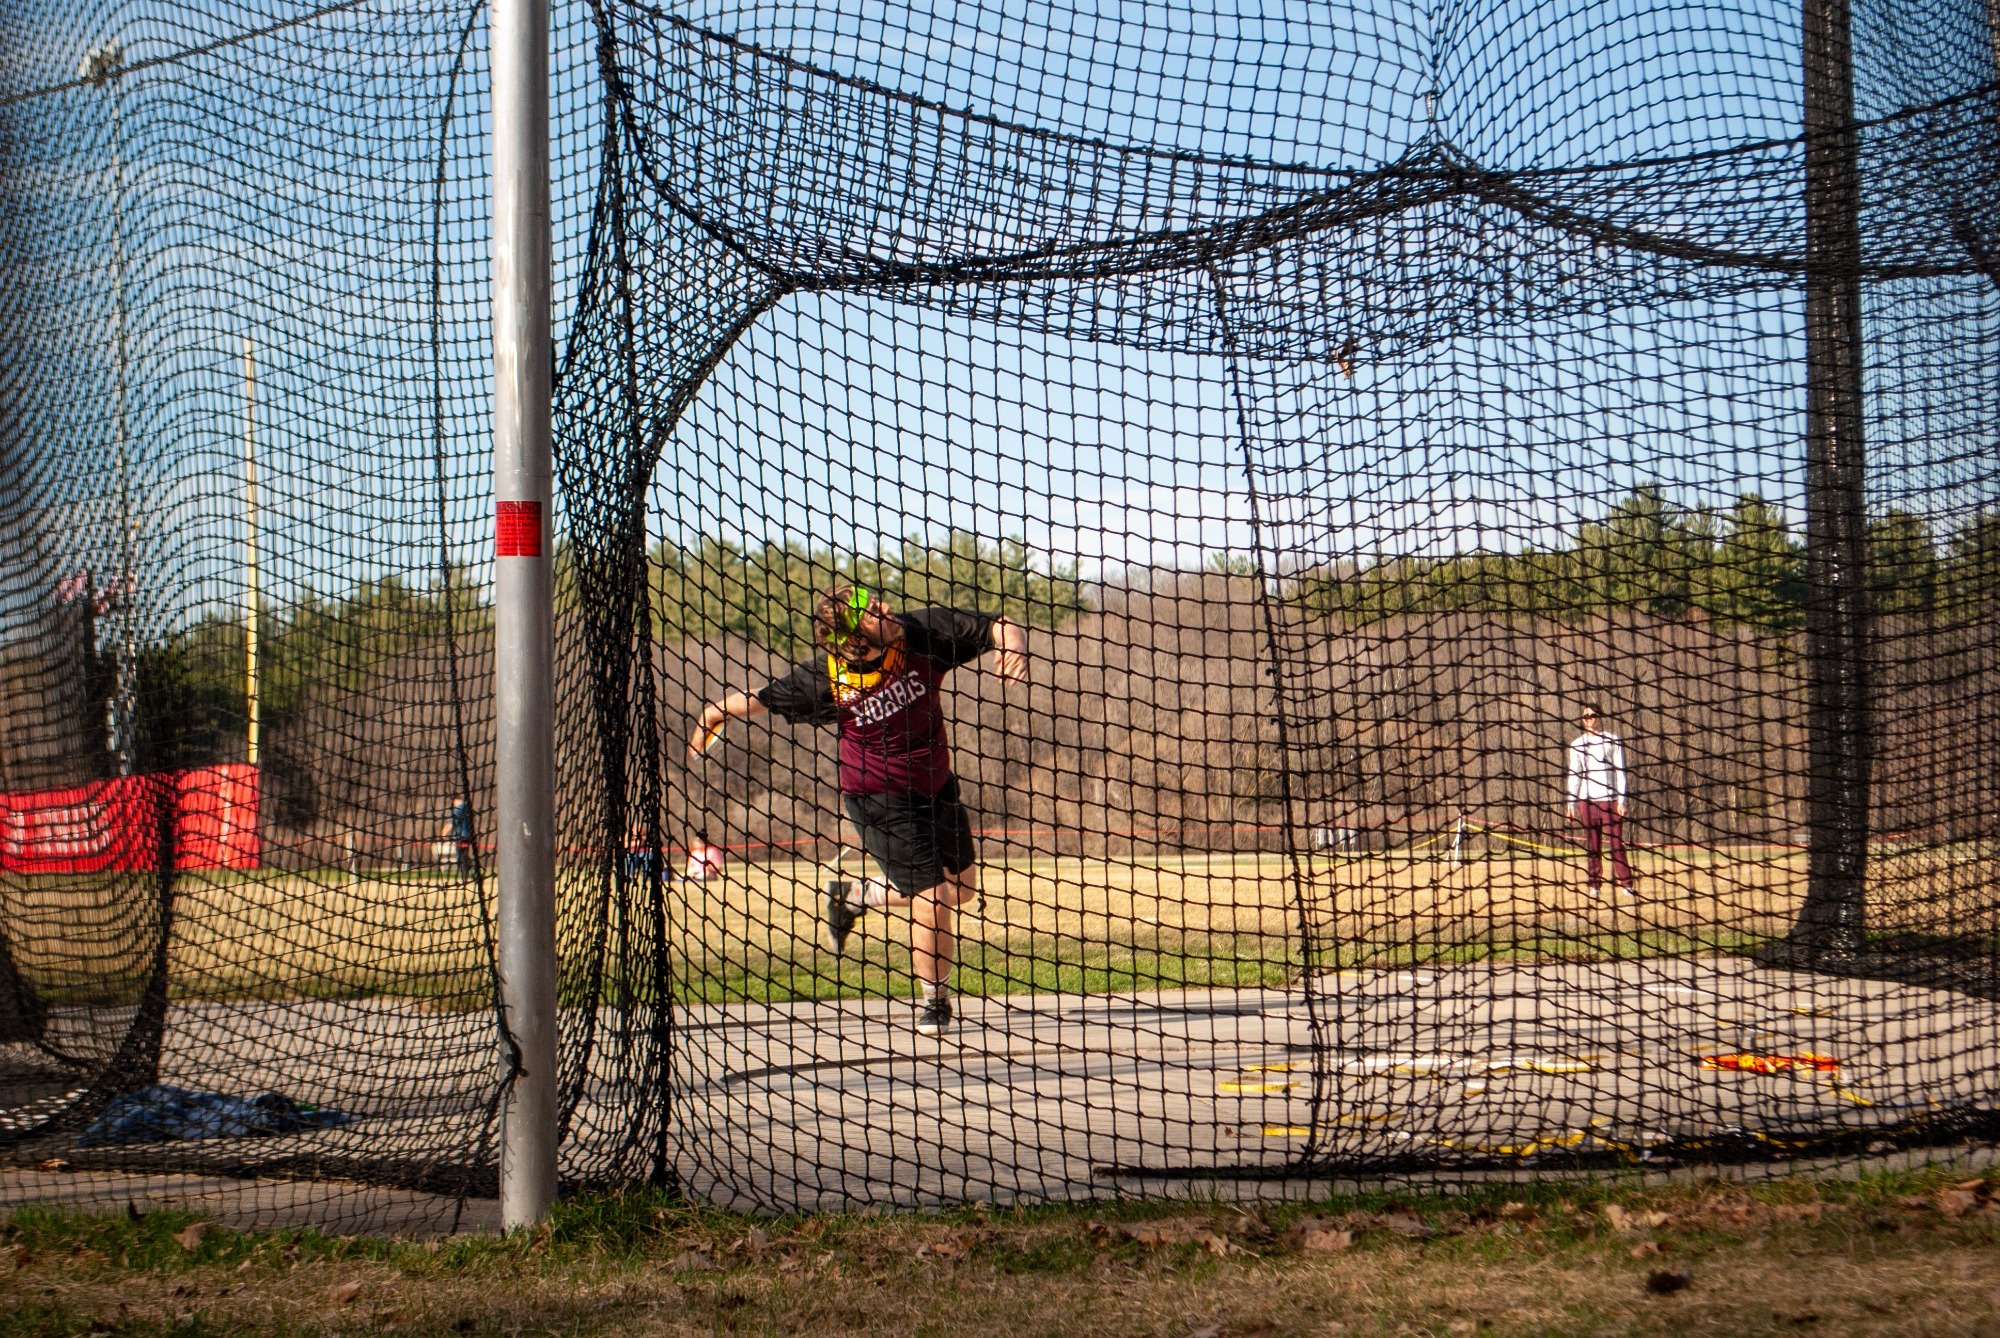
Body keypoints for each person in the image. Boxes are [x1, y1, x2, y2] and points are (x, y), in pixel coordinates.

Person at [688, 584, 1028, 1036]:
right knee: (931, 897)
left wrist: (1013, 648)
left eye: (877, 601)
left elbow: (996, 626)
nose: (884, 606)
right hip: (877, 798)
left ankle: (853, 897)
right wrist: (713, 713)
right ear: (856, 639)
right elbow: (761, 698)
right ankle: (935, 1002)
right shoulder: (825, 677)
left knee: (961, 890)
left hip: (935, 784)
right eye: (870, 610)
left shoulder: (920, 631)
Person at [1565, 704, 1633, 893]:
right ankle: (1594, 884)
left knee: (1616, 843)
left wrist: (1621, 800)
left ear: (1599, 717)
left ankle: (1626, 884)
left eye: (1592, 715)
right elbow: (1574, 774)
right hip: (1587, 801)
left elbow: (1620, 771)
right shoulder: (1577, 745)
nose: (1589, 719)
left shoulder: (1612, 740)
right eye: (1585, 716)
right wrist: (1570, 803)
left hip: (1610, 800)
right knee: (1593, 844)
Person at [441, 797, 475, 877]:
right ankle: (470, 872)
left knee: (461, 856)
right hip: (468, 835)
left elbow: (452, 823)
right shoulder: (468, 808)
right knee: (464, 855)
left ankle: (469, 872)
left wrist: (443, 832)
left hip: (460, 837)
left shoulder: (459, 808)